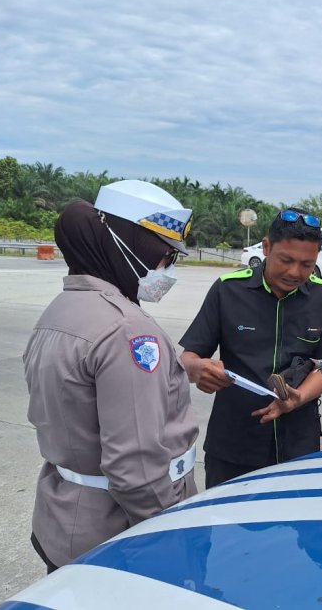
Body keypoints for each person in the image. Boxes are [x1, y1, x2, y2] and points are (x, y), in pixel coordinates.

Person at [24, 180, 199, 573]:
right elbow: (135, 470)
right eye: (166, 256)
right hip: (118, 535)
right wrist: (171, 536)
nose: (167, 270)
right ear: (129, 245)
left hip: (63, 516)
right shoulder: (129, 332)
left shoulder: (61, 310)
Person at [180, 209, 322, 488]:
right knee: (228, 527)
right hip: (234, 444)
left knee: (296, 525)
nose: (295, 272)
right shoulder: (228, 290)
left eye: (307, 264)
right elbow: (188, 358)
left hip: (299, 446)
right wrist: (198, 370)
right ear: (266, 247)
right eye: (286, 260)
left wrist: (298, 397)